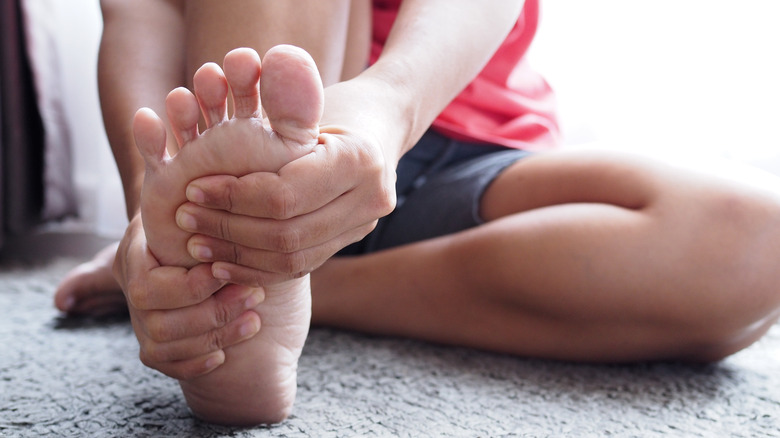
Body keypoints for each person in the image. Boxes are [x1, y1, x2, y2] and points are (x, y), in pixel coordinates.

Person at [55, 0, 780, 426]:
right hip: (276, 127)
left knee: (755, 241)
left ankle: (260, 281)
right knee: (258, 121)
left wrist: (387, 109)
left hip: (457, 144)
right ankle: (233, 237)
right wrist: (146, 226)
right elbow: (143, 13)